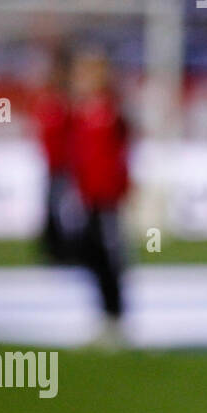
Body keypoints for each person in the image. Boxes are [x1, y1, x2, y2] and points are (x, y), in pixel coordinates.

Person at [69, 49, 130, 346]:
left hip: (107, 198)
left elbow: (120, 154)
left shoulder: (110, 110)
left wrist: (121, 189)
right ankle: (103, 313)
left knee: (109, 256)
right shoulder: (82, 112)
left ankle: (115, 316)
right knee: (91, 253)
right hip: (88, 196)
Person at [35, 49, 75, 263]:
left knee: (60, 208)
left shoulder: (64, 103)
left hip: (63, 165)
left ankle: (58, 249)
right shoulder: (52, 102)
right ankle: (53, 250)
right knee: (53, 206)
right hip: (55, 165)